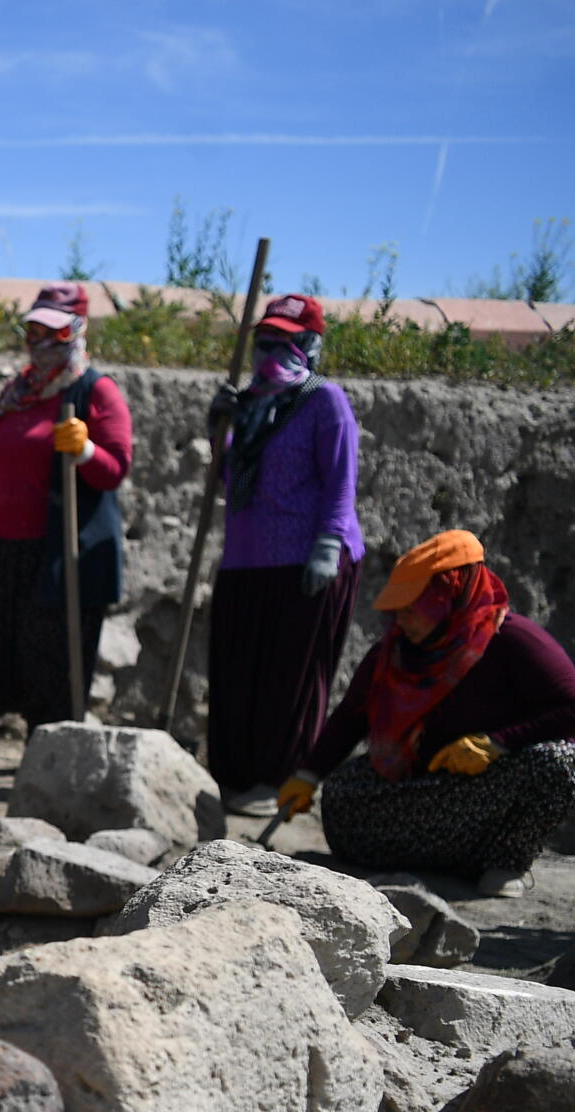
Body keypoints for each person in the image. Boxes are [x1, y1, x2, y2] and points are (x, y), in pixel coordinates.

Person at [279, 529, 575, 897]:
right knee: (343, 794)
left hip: (490, 789)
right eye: (397, 611)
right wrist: (308, 775)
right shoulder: (395, 650)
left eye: (411, 609)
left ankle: (503, 863)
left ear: (448, 598)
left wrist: (497, 744)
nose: (401, 620)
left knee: (559, 761)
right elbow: (351, 717)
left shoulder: (514, 641)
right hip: (421, 788)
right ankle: (450, 859)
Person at [0, 282, 132, 758]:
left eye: (49, 329)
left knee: (48, 658)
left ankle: (46, 753)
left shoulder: (95, 390)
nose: (37, 338)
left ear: (75, 330)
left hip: (57, 552)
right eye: (32, 327)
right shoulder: (19, 390)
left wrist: (86, 448)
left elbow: (114, 469)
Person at [208, 293, 364, 815]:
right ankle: (234, 776)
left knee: (287, 677)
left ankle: (276, 779)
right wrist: (221, 432)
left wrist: (327, 547)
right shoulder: (252, 402)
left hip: (305, 562)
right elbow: (234, 480)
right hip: (247, 558)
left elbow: (341, 483)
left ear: (309, 345)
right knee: (237, 671)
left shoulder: (325, 402)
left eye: (286, 341)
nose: (271, 351)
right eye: (264, 341)